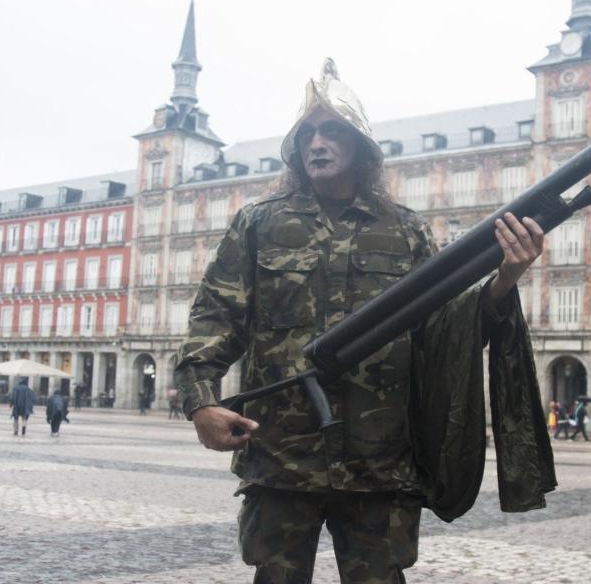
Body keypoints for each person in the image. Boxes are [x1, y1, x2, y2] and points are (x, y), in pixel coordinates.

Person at [174, 59, 551, 583]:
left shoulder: (407, 233)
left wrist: (504, 280)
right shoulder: (259, 224)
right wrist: (202, 404)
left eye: (331, 130)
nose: (317, 143)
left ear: (360, 146)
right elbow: (214, 317)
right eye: (307, 133)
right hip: (282, 455)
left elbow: (444, 331)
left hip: (380, 463)